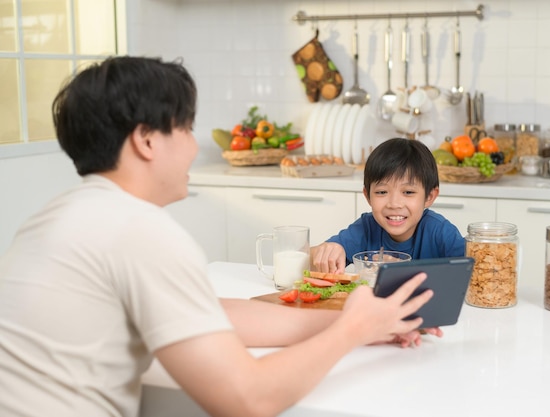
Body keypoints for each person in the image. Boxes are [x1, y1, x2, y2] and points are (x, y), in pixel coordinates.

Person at [0, 56, 442, 417]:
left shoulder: (59, 217)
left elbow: (214, 315)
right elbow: (247, 399)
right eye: (186, 128)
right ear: (146, 141)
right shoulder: (138, 232)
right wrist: (351, 330)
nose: (194, 146)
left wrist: (368, 324)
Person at [310, 137, 466, 273]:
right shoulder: (366, 228)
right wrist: (326, 252)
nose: (394, 204)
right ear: (368, 196)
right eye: (382, 192)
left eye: (408, 192)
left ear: (429, 197)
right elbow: (309, 259)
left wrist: (406, 271)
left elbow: (477, 273)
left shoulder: (441, 232)